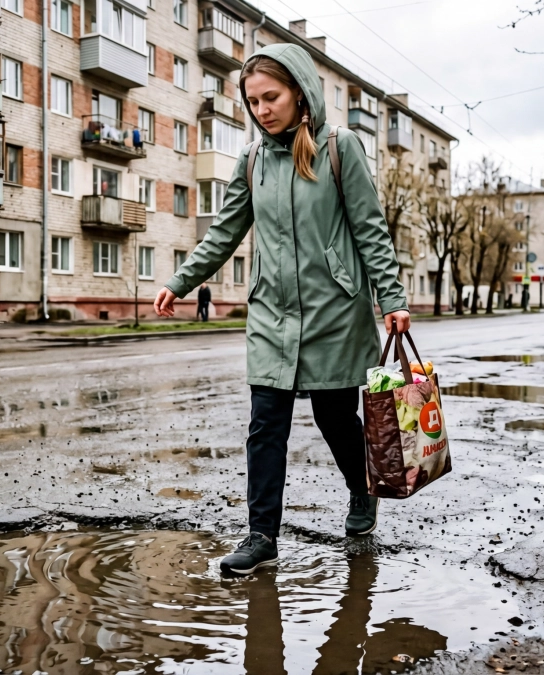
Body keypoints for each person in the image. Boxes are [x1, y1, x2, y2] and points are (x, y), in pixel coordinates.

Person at [153, 44, 410, 576]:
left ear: (298, 92)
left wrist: (392, 300)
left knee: (334, 416)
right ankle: (261, 536)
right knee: (265, 424)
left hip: (334, 311)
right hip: (272, 312)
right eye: (253, 102)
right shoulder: (251, 161)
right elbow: (224, 231)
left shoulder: (340, 149)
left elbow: (369, 230)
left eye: (271, 97)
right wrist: (180, 281)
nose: (262, 109)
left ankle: (362, 491)